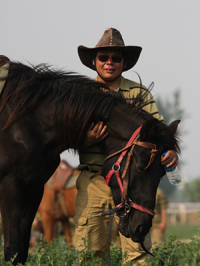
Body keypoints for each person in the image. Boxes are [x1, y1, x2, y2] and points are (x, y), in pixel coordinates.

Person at [74, 28, 178, 265]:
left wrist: (169, 151)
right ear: (94, 60)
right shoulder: (80, 94)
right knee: (90, 257)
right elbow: (61, 137)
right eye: (103, 57)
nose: (109, 62)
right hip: (94, 182)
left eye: (116, 58)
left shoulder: (139, 93)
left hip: (132, 185)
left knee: (137, 255)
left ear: (124, 62)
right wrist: (85, 139)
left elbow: (159, 133)